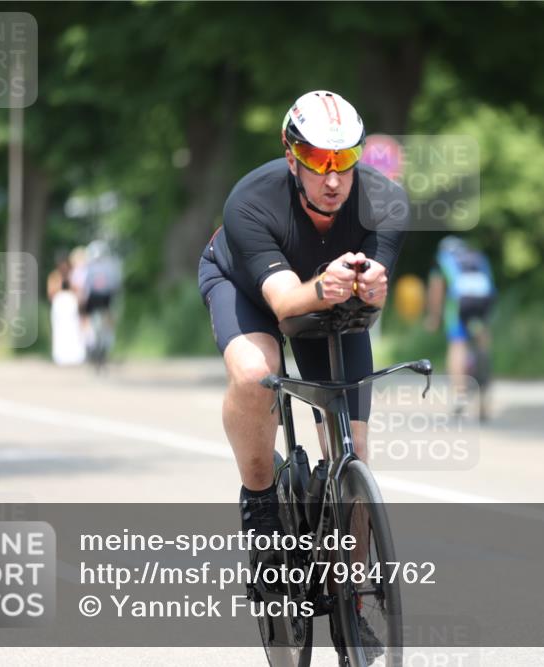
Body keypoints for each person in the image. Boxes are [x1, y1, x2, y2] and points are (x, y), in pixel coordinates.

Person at [197, 91, 408, 553]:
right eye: (316, 160)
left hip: (326, 296)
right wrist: (325, 286)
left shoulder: (385, 201)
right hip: (248, 288)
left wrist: (373, 289)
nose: (332, 179)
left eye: (344, 160)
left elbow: (370, 296)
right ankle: (260, 504)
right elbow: (283, 302)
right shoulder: (250, 200)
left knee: (352, 453)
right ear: (292, 158)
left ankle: (350, 586)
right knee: (256, 374)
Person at [425, 235, 497, 420]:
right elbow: (490, 284)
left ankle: (460, 394)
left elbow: (436, 289)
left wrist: (434, 317)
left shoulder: (443, 259)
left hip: (460, 302)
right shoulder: (477, 257)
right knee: (482, 343)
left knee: (457, 345)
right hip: (483, 302)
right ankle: (484, 393)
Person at [73, 240, 123, 362]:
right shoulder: (111, 266)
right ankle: (106, 343)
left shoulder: (88, 266)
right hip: (107, 297)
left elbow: (84, 285)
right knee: (109, 318)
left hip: (93, 297)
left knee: (85, 318)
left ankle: (90, 343)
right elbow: (116, 285)